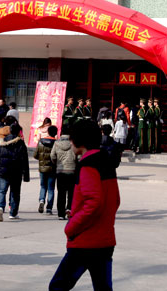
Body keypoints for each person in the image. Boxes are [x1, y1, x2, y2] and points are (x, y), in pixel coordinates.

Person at [49, 119, 120, 291]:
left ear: (78, 141)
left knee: (58, 286)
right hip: (105, 239)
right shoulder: (106, 161)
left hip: (85, 241)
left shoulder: (88, 165)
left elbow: (93, 202)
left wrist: (71, 226)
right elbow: (115, 200)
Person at [0, 123, 30, 221]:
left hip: (3, 171)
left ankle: (0, 207)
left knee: (1, 191)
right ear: (18, 132)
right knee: (15, 192)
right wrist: (26, 175)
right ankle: (13, 213)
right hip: (16, 172)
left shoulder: (2, 141)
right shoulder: (20, 143)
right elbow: (25, 160)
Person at [50, 124, 76, 220]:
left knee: (61, 192)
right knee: (71, 192)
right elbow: (78, 156)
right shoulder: (74, 143)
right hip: (72, 170)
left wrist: (57, 163)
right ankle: (69, 209)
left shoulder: (56, 143)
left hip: (60, 171)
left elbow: (52, 156)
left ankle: (61, 214)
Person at [34, 125, 57, 215]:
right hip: (52, 169)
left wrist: (42, 159)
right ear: (55, 133)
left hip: (42, 168)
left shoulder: (41, 142)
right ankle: (49, 208)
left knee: (43, 186)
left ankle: (41, 200)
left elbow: (35, 155)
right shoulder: (56, 143)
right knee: (51, 188)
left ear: (48, 132)